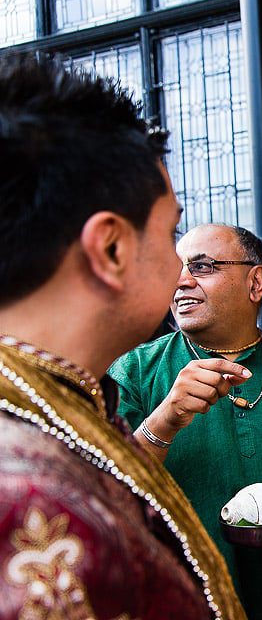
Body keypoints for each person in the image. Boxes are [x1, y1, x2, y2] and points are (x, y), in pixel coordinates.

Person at [0, 54, 244, 618]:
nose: (181, 269)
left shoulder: (60, 405)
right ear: (111, 249)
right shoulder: (32, 506)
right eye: (171, 232)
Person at [109, 223, 262, 619]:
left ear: (255, 282)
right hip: (183, 599)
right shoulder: (135, 370)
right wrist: (165, 419)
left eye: (202, 267)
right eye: (177, 270)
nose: (182, 282)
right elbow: (106, 489)